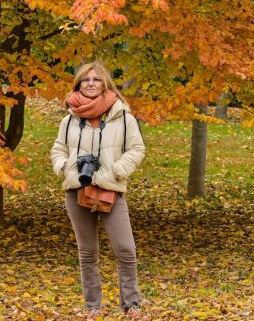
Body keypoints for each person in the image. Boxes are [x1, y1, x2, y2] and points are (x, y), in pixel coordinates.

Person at [50, 61, 147, 319]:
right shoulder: (70, 119)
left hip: (110, 191)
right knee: (87, 252)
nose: (91, 83)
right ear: (78, 84)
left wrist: (115, 171)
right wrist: (65, 168)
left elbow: (136, 149)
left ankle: (131, 305)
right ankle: (92, 307)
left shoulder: (123, 116)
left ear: (105, 83)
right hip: (77, 191)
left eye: (96, 79)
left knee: (125, 249)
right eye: (85, 79)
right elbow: (58, 149)